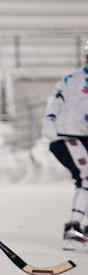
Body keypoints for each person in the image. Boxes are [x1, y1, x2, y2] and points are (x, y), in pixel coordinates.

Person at [42, 39, 88, 252]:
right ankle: (73, 230)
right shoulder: (74, 80)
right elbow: (55, 102)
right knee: (86, 176)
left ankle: (77, 228)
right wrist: (50, 124)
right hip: (67, 136)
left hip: (80, 137)